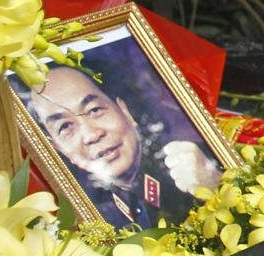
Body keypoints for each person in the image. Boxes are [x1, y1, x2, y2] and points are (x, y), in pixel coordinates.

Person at [23, 66, 222, 229]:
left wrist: (216, 188)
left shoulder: (199, 162)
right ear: (59, 148)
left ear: (125, 111)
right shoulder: (82, 222)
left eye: (94, 110)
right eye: (65, 127)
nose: (92, 135)